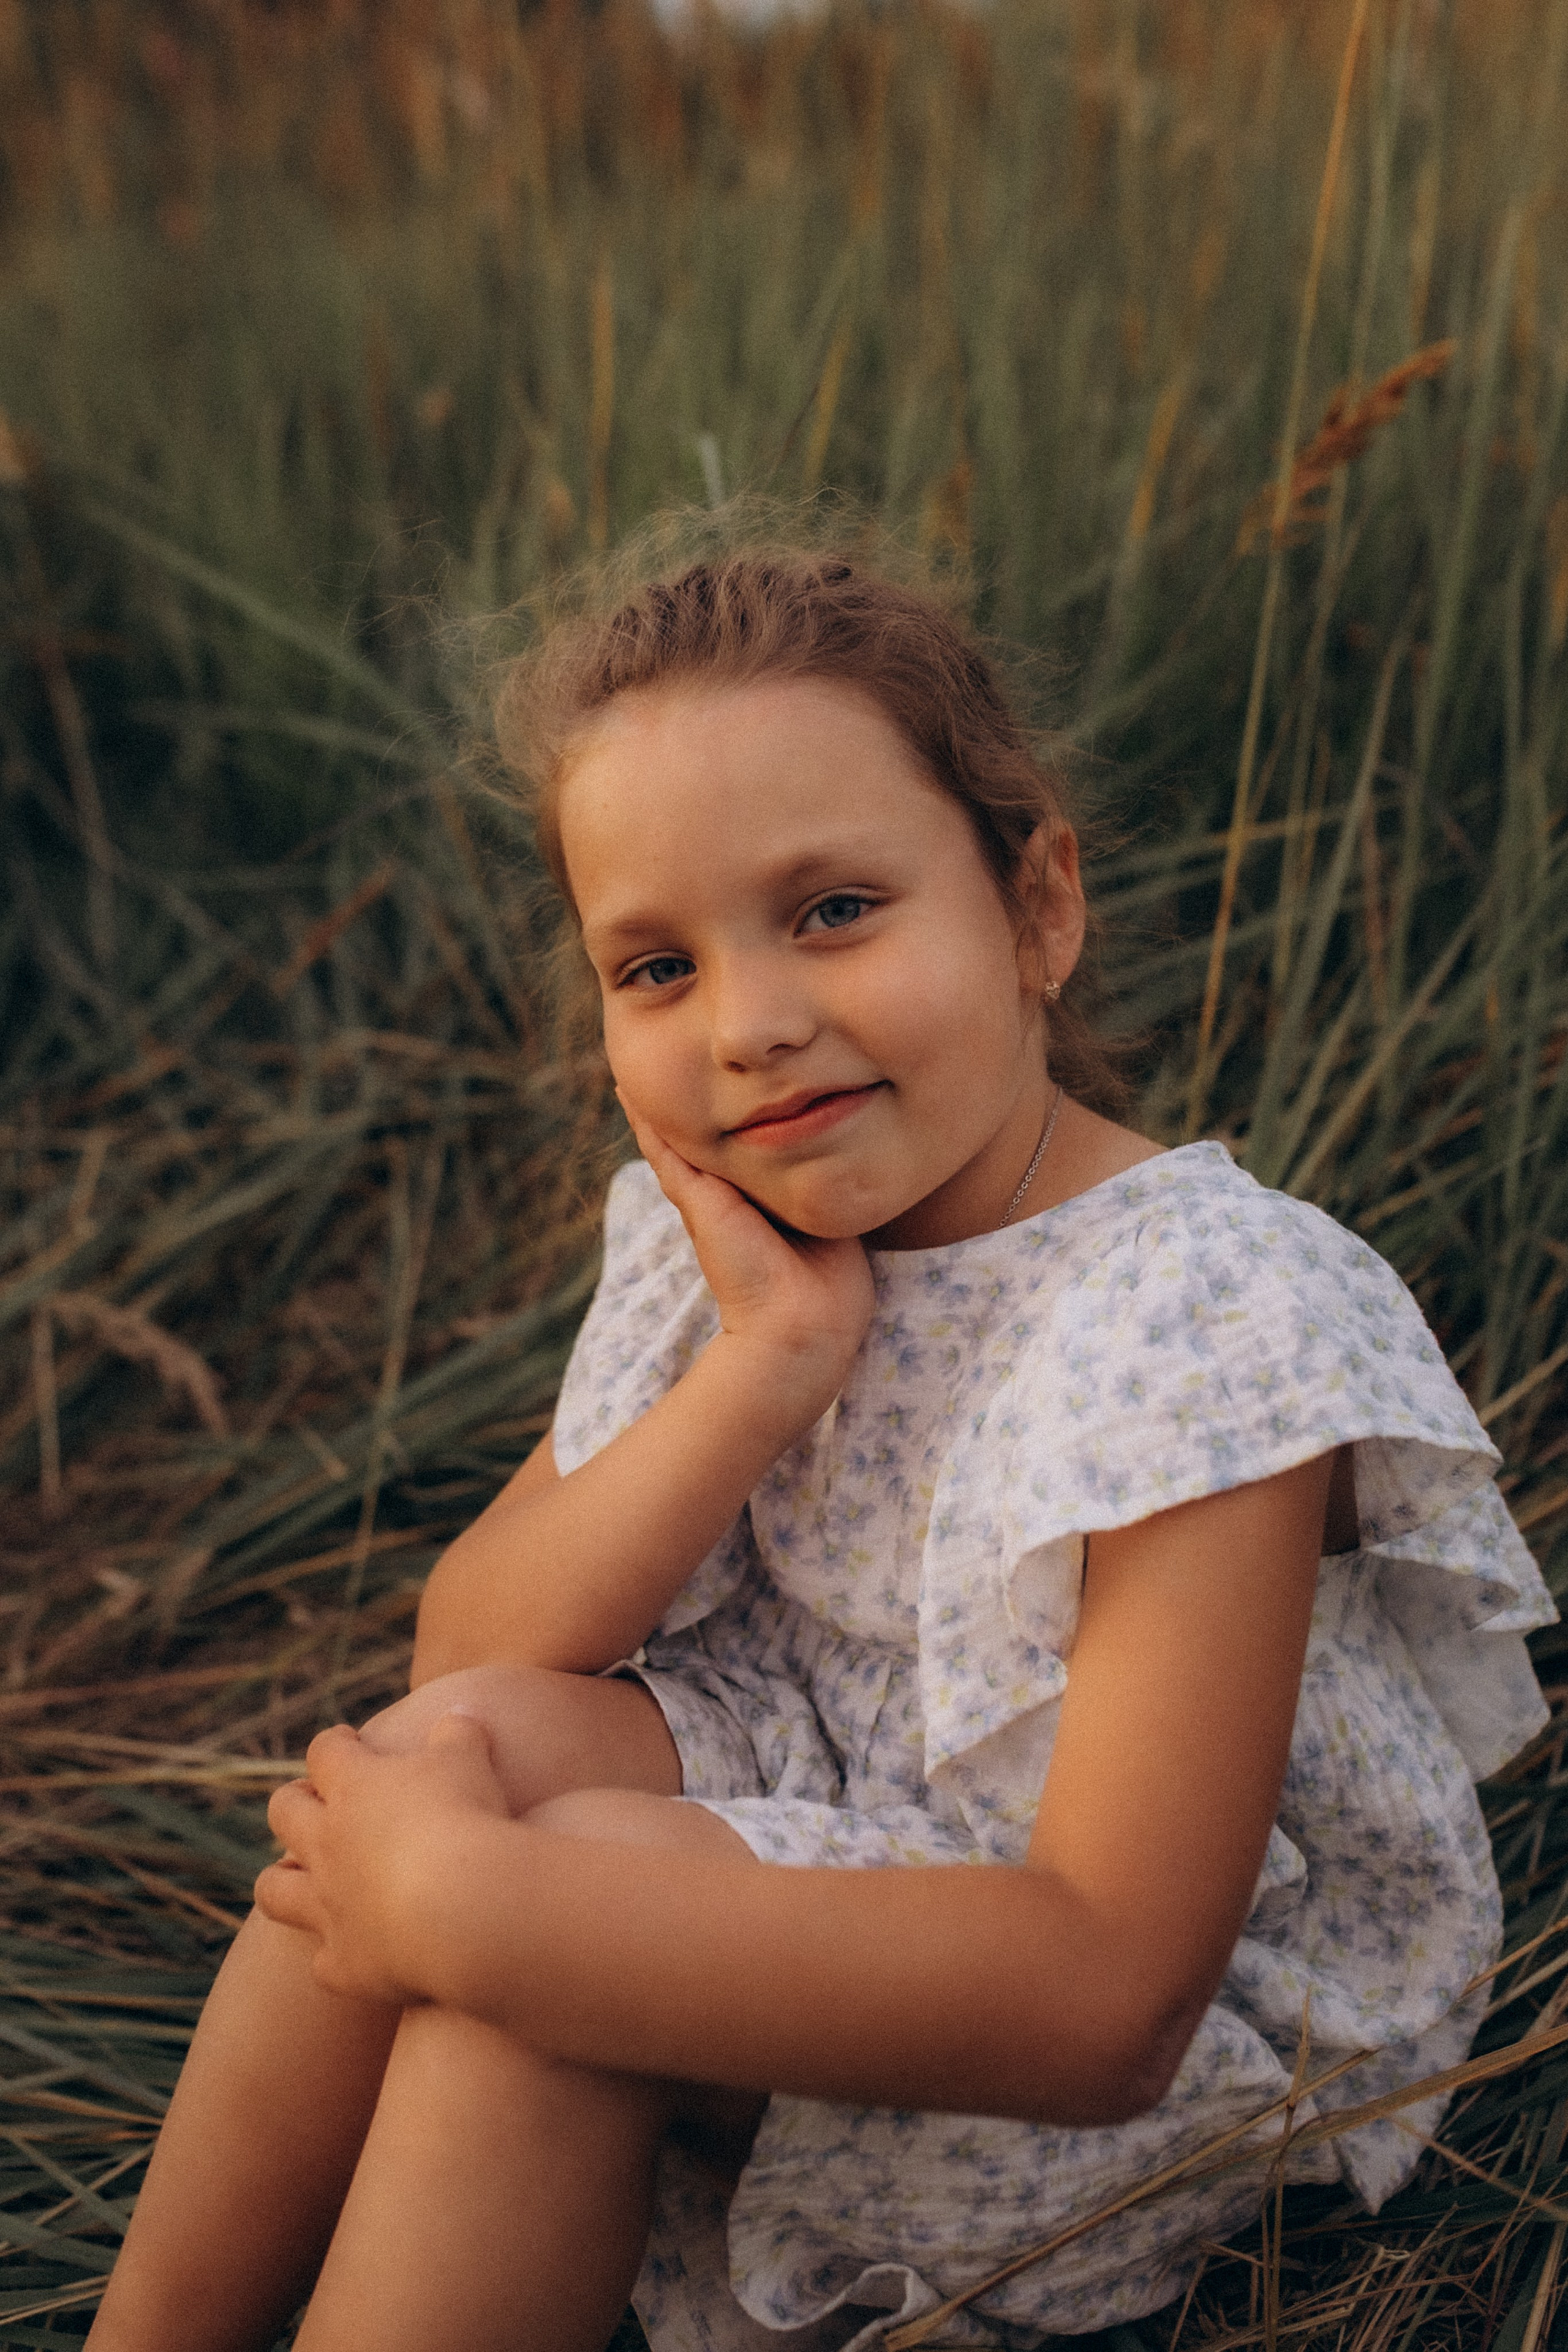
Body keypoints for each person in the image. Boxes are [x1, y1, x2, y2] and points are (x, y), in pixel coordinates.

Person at [88, 530, 1553, 2352]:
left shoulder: (1198, 1310)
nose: (754, 1028)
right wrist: (769, 1362)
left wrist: (490, 1917)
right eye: (656, 967)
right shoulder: (731, 1234)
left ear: (1038, 909)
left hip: (1119, 2008)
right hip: (829, 1803)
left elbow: (1106, 1993)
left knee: (537, 1976)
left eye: (836, 910)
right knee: (443, 1757)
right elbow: (473, 1652)